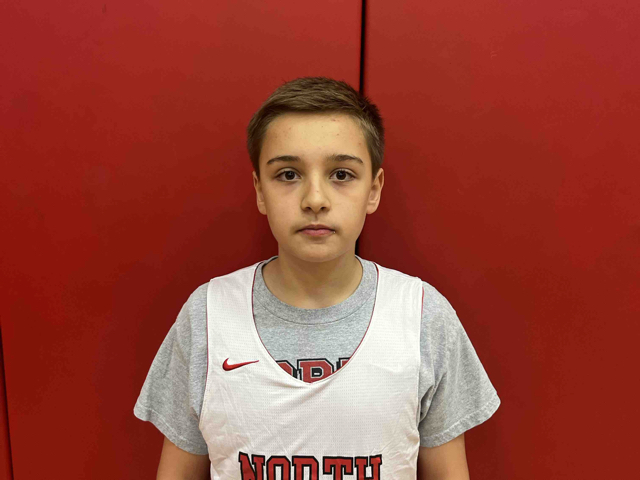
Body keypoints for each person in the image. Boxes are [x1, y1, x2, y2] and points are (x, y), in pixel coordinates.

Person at [134, 76, 501, 480]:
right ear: (260, 190)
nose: (314, 200)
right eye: (288, 174)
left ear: (374, 189)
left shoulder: (423, 316)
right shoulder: (207, 315)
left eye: (341, 174)